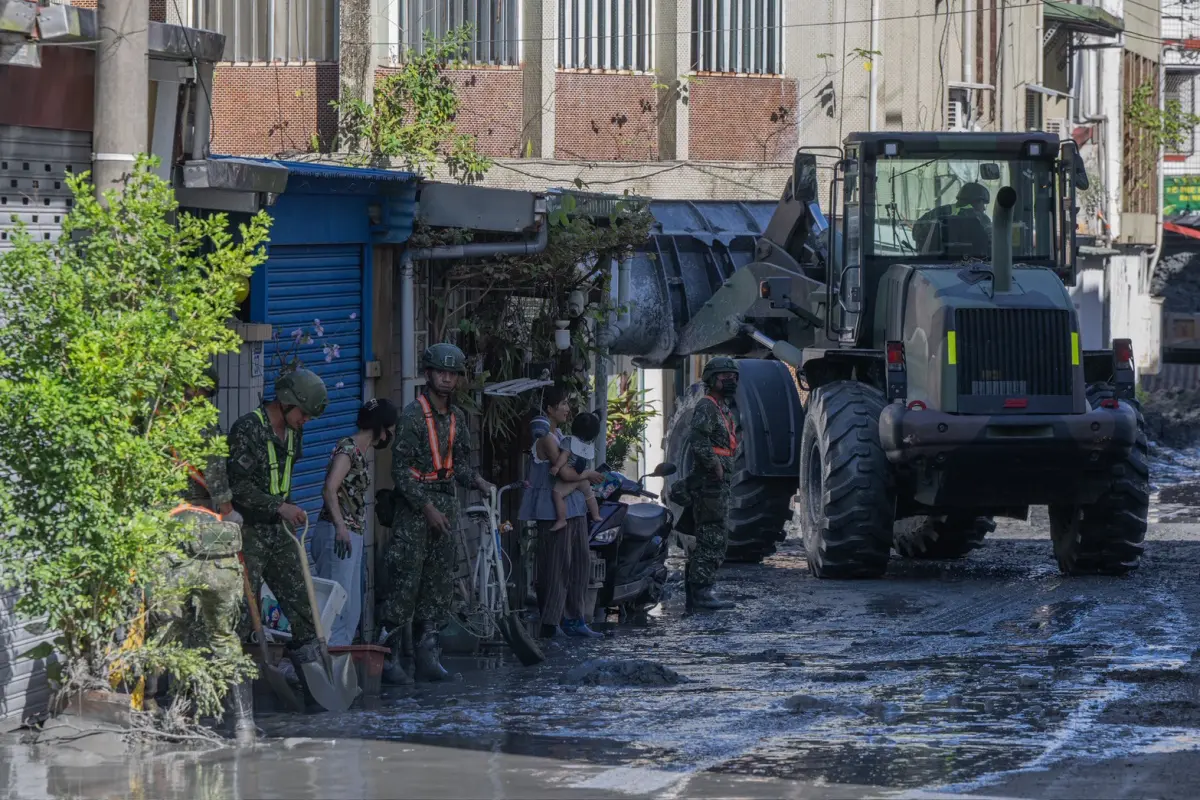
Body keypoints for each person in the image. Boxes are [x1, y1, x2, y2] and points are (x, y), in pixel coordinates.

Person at [377, 343, 495, 684]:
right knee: (404, 585)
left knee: (437, 587)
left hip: (445, 508)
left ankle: (428, 657)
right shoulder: (412, 415)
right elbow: (400, 472)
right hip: (415, 512)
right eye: (440, 372)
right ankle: (388, 660)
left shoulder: (457, 418)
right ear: (428, 374)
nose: (446, 379)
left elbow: (460, 465)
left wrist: (478, 481)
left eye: (452, 373)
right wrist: (425, 506)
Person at [150, 365, 255, 744]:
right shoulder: (203, 428)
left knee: (167, 629)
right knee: (223, 636)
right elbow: (219, 489)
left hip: (165, 541)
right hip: (208, 544)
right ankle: (243, 725)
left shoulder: (153, 426)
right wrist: (229, 512)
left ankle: (161, 712)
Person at [227, 367, 328, 699]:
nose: (305, 421)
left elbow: (282, 476)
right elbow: (237, 487)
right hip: (249, 532)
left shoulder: (295, 432)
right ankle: (232, 691)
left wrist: (290, 508)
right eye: (304, 413)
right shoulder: (248, 429)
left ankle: (315, 685)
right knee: (242, 612)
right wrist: (278, 506)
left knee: (303, 606)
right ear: (285, 402)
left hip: (280, 532)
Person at [310, 398, 398, 647]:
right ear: (380, 427)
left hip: (351, 535)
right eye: (389, 430)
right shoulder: (348, 449)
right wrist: (340, 526)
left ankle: (340, 661)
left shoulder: (359, 452)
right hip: (338, 536)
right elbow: (329, 488)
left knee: (350, 610)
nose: (389, 436)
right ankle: (327, 662)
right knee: (335, 609)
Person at [518, 386, 605, 640]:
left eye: (567, 403)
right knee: (557, 566)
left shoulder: (561, 436)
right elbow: (566, 474)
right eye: (563, 404)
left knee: (580, 562)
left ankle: (575, 619)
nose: (567, 408)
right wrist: (588, 474)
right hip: (552, 508)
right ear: (549, 409)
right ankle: (551, 622)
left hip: (574, 505)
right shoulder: (546, 438)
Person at [679, 357, 740, 612]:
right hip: (710, 483)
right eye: (725, 376)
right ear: (712, 379)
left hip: (718, 484)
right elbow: (698, 439)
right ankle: (701, 593)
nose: (731, 381)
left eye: (734, 376)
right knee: (711, 537)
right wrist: (714, 464)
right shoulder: (707, 406)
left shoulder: (721, 408)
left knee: (714, 535)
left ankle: (699, 593)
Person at [549, 410, 604, 531]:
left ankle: (561, 520)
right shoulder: (589, 446)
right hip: (584, 477)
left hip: (571, 477)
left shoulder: (569, 441)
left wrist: (557, 467)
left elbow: (564, 456)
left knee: (557, 494)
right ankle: (596, 515)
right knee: (590, 495)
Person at [912, 182, 992, 254]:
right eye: (983, 203)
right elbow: (992, 242)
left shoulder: (939, 212)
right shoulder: (982, 219)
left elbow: (915, 233)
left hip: (933, 262)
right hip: (972, 262)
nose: (984, 208)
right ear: (976, 201)